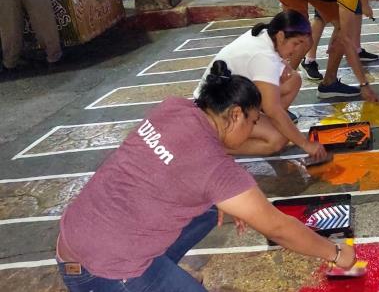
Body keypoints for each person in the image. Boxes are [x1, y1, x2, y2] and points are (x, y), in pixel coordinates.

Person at [56, 61, 356, 291]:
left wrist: (225, 199)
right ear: (236, 114)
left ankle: (163, 268)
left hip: (75, 236)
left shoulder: (173, 107)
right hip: (102, 271)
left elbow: (180, 161)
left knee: (211, 207)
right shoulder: (215, 170)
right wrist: (335, 252)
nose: (253, 130)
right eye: (252, 122)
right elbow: (278, 228)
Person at [193, 11, 327, 159]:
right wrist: (305, 144)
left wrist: (281, 64)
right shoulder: (264, 57)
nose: (296, 51)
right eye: (295, 43)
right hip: (214, 108)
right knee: (278, 139)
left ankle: (260, 126)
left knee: (293, 80)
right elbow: (273, 110)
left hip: (230, 94)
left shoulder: (265, 33)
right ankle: (217, 146)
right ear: (281, 36)